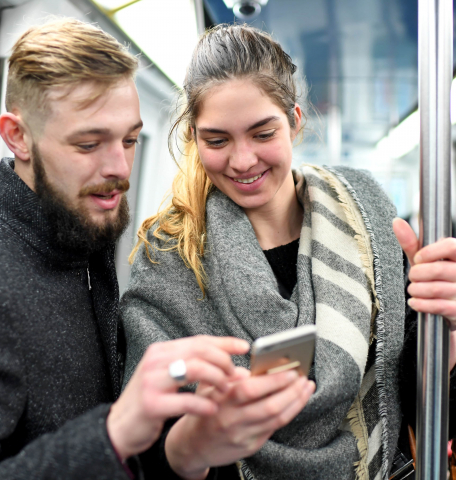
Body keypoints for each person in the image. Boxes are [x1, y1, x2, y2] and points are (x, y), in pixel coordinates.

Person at [121, 24, 456, 480]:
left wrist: (448, 327)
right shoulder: (169, 257)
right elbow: (148, 444)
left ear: (295, 119)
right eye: (217, 141)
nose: (242, 161)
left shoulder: (366, 212)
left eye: (262, 134)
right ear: (194, 139)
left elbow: (415, 387)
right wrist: (194, 442)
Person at [0, 18, 251, 479]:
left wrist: (186, 448)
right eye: (89, 144)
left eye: (129, 140)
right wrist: (114, 431)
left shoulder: (82, 242)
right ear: (17, 136)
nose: (120, 167)